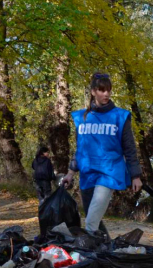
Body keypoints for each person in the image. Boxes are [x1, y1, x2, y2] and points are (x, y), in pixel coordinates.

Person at [61, 72, 143, 235]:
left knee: (91, 222)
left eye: (108, 90)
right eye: (102, 90)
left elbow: (129, 148)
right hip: (87, 173)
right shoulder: (81, 118)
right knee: (94, 219)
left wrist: (135, 175)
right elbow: (80, 148)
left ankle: (85, 247)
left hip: (109, 172)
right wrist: (70, 173)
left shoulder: (120, 116)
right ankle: (106, 245)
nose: (106, 94)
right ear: (93, 92)